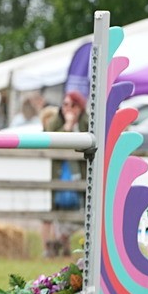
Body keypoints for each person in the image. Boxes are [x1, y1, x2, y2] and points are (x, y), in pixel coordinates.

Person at [42, 91, 88, 257]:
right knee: (61, 207)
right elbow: (53, 142)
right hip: (61, 174)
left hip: (81, 175)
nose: (68, 108)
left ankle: (61, 242)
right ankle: (60, 245)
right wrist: (67, 127)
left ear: (79, 107)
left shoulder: (87, 122)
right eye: (65, 105)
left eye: (72, 105)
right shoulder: (56, 123)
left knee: (83, 209)